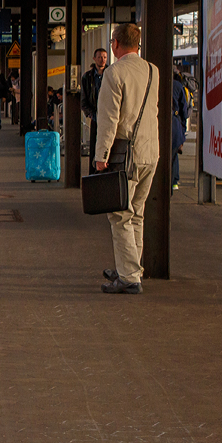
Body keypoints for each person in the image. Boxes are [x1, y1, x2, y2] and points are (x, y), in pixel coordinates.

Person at [95, 22, 159, 295]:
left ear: (116, 44)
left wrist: (101, 155)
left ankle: (130, 276)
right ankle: (129, 267)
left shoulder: (114, 73)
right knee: (137, 213)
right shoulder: (152, 70)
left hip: (126, 156)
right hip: (150, 152)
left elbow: (109, 119)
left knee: (120, 214)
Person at [81, 48, 109, 174]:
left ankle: (107, 175)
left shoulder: (112, 74)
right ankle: (93, 175)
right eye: (99, 57)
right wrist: (90, 114)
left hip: (109, 117)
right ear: (94, 59)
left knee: (108, 147)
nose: (102, 59)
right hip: (96, 117)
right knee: (94, 147)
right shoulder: (87, 77)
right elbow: (84, 98)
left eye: (104, 57)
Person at [171, 66, 191, 191]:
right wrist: (183, 131)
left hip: (160, 123)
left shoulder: (156, 82)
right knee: (174, 154)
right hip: (175, 123)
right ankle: (174, 181)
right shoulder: (178, 86)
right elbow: (184, 110)